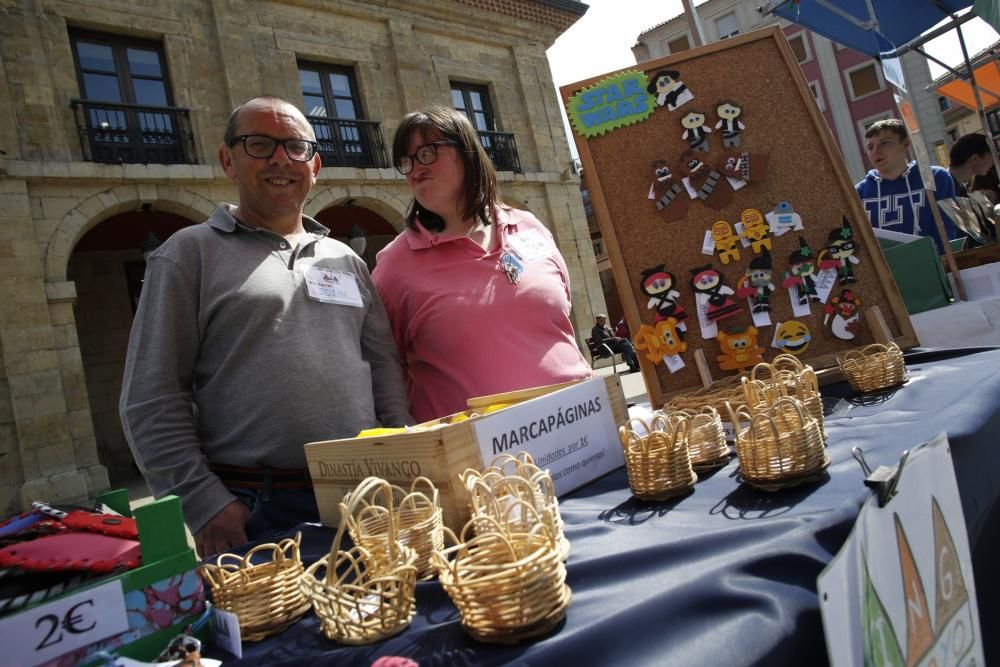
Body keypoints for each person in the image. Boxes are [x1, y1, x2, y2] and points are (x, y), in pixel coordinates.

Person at [120, 96, 411, 556]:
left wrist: (400, 444)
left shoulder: (345, 259)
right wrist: (202, 503)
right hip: (256, 508)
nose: (280, 159)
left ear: (315, 165)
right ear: (227, 160)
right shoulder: (188, 254)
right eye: (259, 144)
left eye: (295, 147)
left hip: (367, 493)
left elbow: (380, 362)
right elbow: (151, 396)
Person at [371, 105, 593, 423]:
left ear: (468, 152)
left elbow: (561, 320)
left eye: (427, 153)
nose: (415, 169)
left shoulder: (530, 226)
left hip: (585, 430)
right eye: (405, 161)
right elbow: (384, 367)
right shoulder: (394, 266)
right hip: (481, 465)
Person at [855, 118, 958, 254]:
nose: (875, 151)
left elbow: (947, 231)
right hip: (887, 272)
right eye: (870, 147)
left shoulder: (935, 177)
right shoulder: (859, 192)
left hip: (933, 266)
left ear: (905, 145)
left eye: (884, 143)